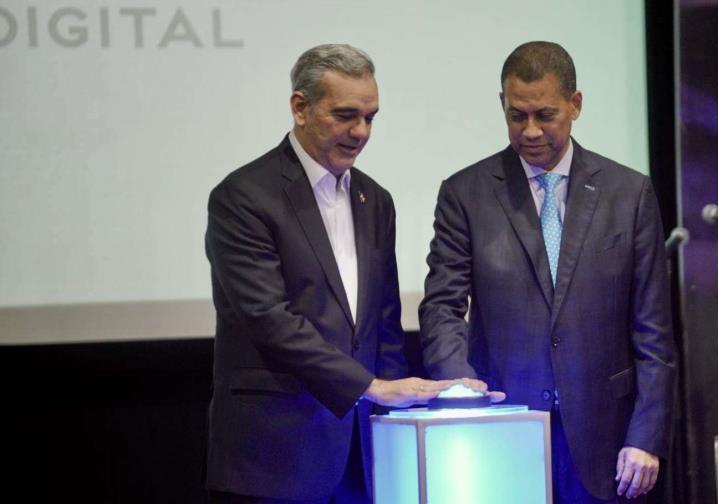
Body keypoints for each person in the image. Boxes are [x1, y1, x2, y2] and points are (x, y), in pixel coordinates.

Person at [418, 41, 676, 503]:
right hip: (502, 429)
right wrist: (459, 388)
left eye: (545, 115)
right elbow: (442, 306)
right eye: (517, 116)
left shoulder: (629, 193)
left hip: (608, 439)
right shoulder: (465, 194)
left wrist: (646, 434)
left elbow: (653, 328)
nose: (531, 130)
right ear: (502, 104)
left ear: (575, 105)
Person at [205, 44, 459, 504]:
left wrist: (392, 421)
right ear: (300, 107)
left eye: (370, 118)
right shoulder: (243, 197)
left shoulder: (375, 200)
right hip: (276, 456)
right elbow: (267, 317)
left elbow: (383, 322)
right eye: (345, 115)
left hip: (362, 457)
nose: (360, 132)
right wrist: (369, 386)